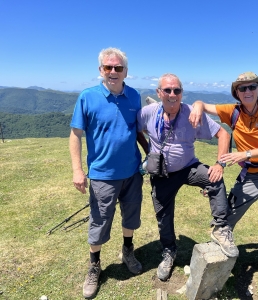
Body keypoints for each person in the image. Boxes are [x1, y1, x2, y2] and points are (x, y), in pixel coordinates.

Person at [137, 73, 239, 281]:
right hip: (163, 174)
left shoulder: (192, 113)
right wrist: (148, 150)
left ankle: (220, 228)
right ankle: (169, 251)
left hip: (189, 166)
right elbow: (136, 130)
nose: (172, 94)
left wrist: (220, 163)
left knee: (214, 178)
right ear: (159, 93)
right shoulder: (147, 112)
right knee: (163, 215)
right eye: (167, 90)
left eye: (177, 90)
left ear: (182, 93)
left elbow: (223, 134)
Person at [189, 71, 258, 284]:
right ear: (237, 93)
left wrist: (245, 154)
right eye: (242, 88)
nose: (247, 91)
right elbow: (204, 105)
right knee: (226, 216)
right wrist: (197, 104)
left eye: (252, 87)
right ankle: (218, 248)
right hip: (250, 176)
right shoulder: (231, 112)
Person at [69, 47, 148, 298]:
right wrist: (78, 170)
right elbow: (75, 135)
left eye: (118, 68)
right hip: (102, 174)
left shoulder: (135, 96)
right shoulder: (87, 97)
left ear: (126, 71)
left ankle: (127, 250)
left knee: (131, 216)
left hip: (133, 172)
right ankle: (94, 266)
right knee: (100, 220)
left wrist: (151, 154)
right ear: (101, 70)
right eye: (108, 67)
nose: (113, 72)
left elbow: (137, 132)